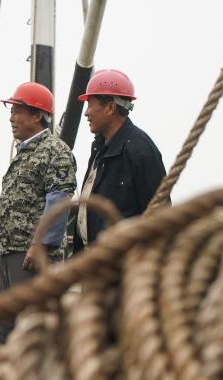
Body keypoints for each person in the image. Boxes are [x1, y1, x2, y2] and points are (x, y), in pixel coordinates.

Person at [0, 82, 77, 345]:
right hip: (12, 253)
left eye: (17, 111)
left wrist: (40, 244)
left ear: (37, 115)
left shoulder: (55, 151)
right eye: (11, 111)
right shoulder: (25, 152)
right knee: (6, 328)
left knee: (31, 330)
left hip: (32, 257)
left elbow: (59, 201)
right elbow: (13, 203)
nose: (11, 118)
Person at [73, 69, 167, 254]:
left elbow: (160, 213)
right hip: (94, 259)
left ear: (110, 108)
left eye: (90, 105)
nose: (86, 113)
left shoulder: (141, 151)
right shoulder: (99, 147)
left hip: (124, 262)